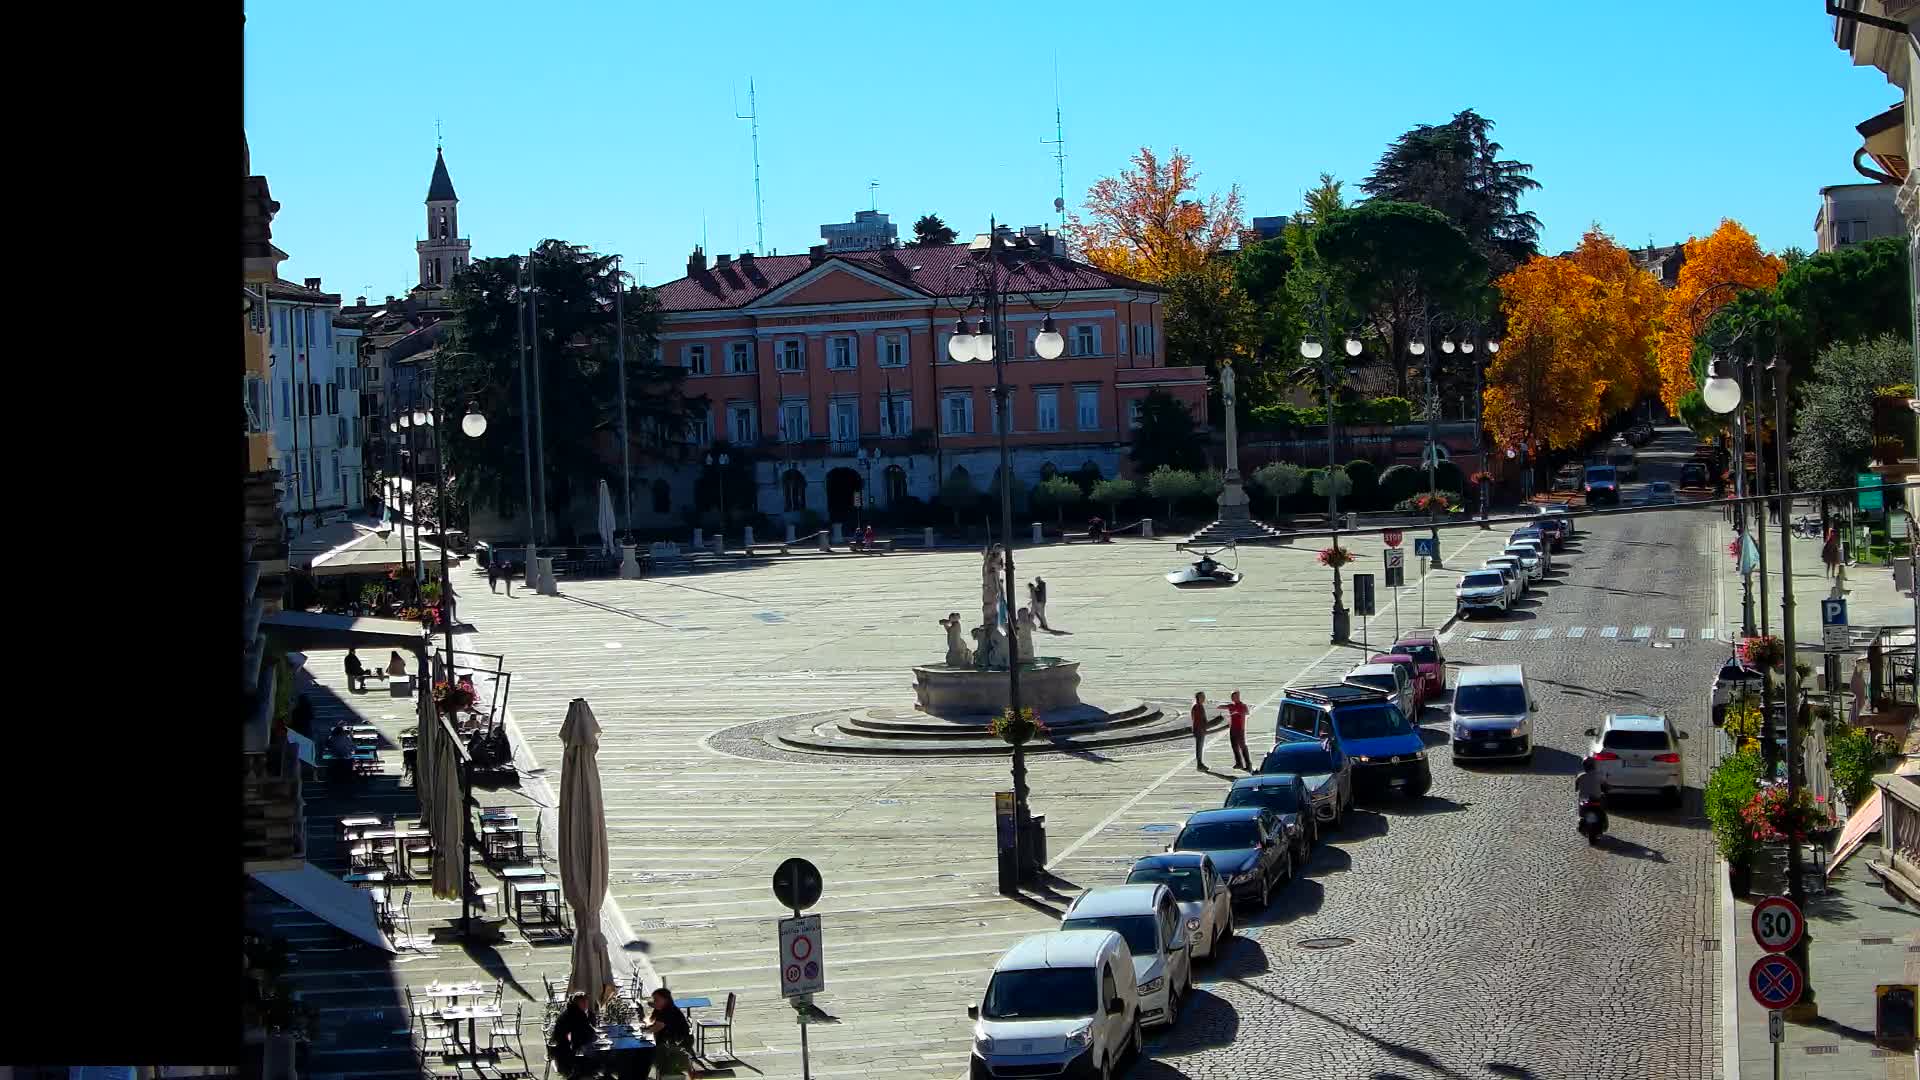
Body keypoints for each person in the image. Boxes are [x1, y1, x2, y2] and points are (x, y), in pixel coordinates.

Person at [548, 992, 599, 1079]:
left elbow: (585, 1031)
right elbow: (585, 1035)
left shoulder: (570, 1011)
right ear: (580, 1003)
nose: (587, 1005)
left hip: (559, 1053)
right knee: (598, 1057)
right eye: (585, 1003)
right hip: (566, 1059)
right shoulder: (576, 1015)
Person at [644, 987, 693, 1075]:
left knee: (648, 1052)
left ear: (665, 999)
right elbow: (654, 1023)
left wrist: (643, 1032)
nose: (654, 1001)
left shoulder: (668, 1011)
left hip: (679, 1041)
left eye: (656, 999)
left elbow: (657, 1027)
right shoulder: (662, 1009)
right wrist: (646, 1027)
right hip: (671, 1040)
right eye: (654, 999)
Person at [1225, 691, 1252, 771]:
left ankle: (1248, 764)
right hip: (1232, 728)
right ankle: (1239, 763)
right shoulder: (1231, 706)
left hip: (1240, 729)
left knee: (1242, 746)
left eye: (1234, 696)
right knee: (1234, 746)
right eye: (1232, 697)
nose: (1232, 698)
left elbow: (1247, 712)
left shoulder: (1242, 706)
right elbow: (1221, 707)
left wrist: (1239, 712)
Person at [1190, 692, 1211, 771]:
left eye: (1204, 697)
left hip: (1200, 729)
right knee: (1199, 747)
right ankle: (1199, 764)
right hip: (1199, 730)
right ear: (1198, 698)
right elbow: (1197, 720)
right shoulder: (1197, 706)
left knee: (1200, 747)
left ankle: (1200, 764)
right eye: (1202, 697)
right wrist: (1203, 728)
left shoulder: (1199, 706)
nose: (1204, 698)